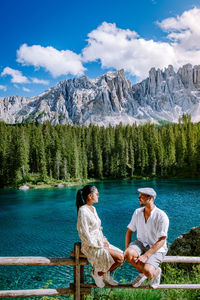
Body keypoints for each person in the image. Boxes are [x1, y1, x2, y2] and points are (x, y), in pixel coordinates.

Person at [76, 185, 124, 288]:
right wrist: (99, 245)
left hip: (99, 242)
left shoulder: (93, 208)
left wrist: (104, 240)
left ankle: (105, 274)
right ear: (90, 196)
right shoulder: (83, 211)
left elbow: (98, 228)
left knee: (122, 255)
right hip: (91, 246)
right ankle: (98, 274)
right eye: (97, 194)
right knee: (119, 258)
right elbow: (83, 233)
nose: (98, 195)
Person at [124, 187, 169, 288]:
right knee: (128, 254)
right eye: (139, 196)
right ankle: (142, 273)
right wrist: (127, 249)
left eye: (141, 196)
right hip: (141, 243)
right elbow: (129, 231)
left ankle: (155, 272)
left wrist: (146, 256)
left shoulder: (162, 216)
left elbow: (162, 241)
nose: (138, 198)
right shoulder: (137, 212)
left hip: (157, 248)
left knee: (149, 271)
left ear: (151, 198)